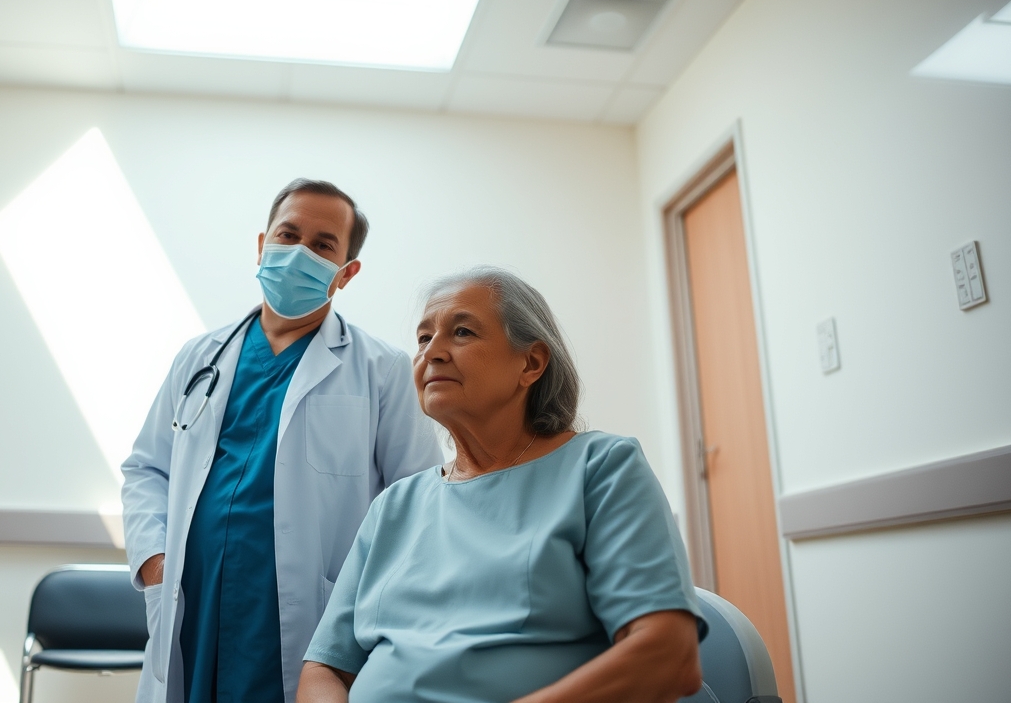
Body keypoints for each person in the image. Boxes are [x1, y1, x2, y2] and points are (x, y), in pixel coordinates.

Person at [299, 266, 707, 703]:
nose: (431, 352)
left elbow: (669, 654)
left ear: (530, 363)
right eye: (423, 338)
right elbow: (325, 669)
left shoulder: (599, 469)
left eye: (462, 332)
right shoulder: (394, 506)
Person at [121, 179, 443, 703]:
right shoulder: (199, 356)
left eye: (321, 245)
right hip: (195, 602)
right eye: (288, 235)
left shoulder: (380, 369)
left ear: (346, 273)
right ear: (262, 244)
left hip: (308, 611)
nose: (299, 253)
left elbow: (417, 498)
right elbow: (146, 469)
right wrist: (157, 563)